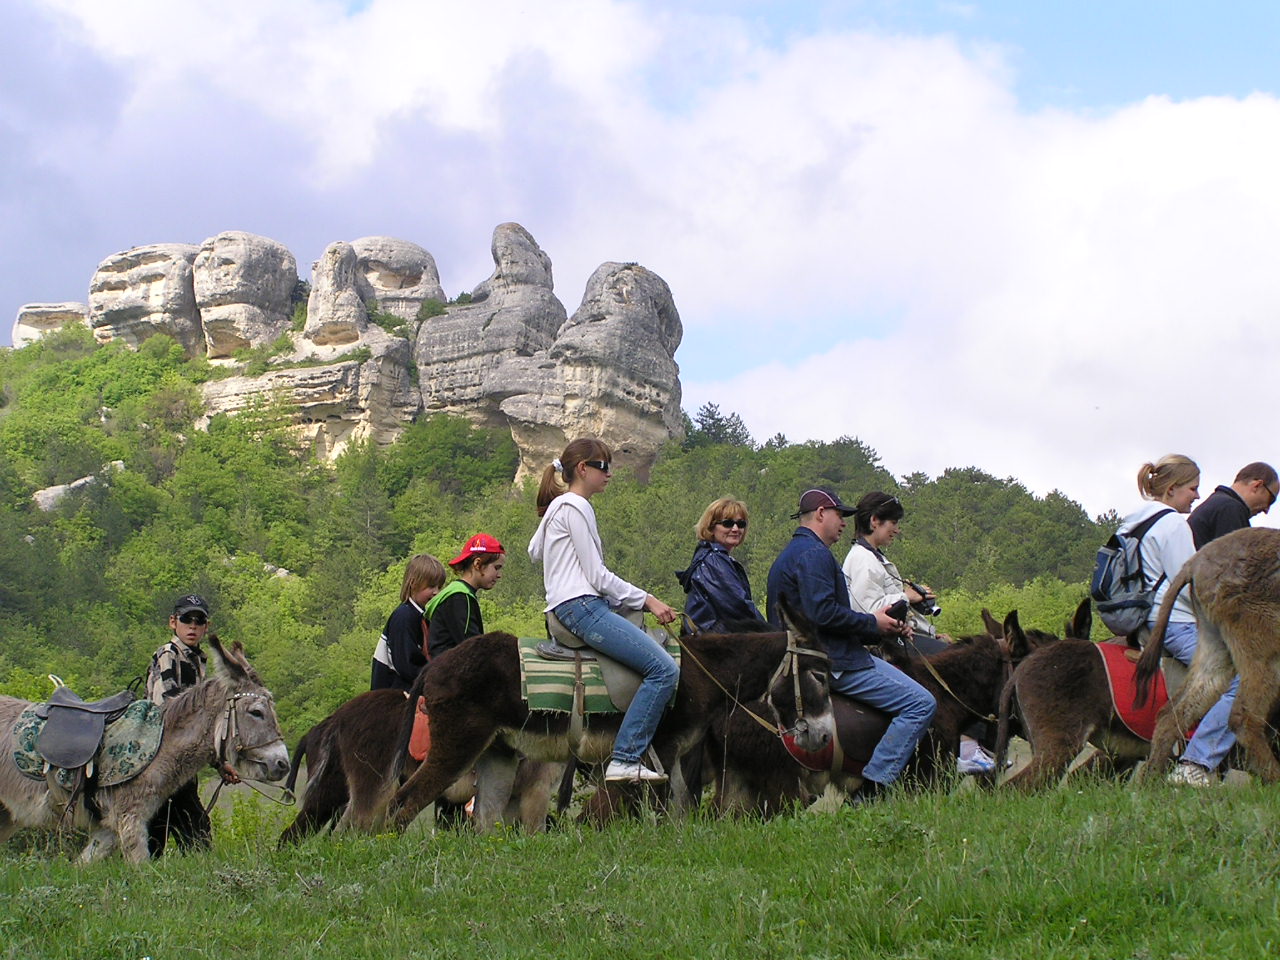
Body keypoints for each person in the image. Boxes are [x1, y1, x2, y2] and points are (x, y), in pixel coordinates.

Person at [766, 486, 936, 801]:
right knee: (921, 703)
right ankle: (872, 789)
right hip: (834, 662)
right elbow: (824, 614)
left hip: (809, 657)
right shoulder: (814, 554)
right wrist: (874, 623)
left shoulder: (791, 554)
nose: (845, 522)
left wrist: (880, 628)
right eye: (839, 515)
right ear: (820, 514)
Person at [528, 437, 679, 783]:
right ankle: (625, 758)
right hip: (582, 607)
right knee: (664, 670)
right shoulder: (577, 507)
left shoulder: (559, 507)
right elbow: (598, 575)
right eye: (604, 466)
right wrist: (648, 599)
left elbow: (534, 551)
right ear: (583, 469)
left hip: (565, 608)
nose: (610, 474)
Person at [841, 491, 994, 776]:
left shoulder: (875, 558)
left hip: (899, 636)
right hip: (882, 644)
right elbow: (866, 609)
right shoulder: (861, 560)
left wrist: (930, 631)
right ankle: (968, 746)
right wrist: (907, 597)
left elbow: (895, 605)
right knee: (965, 665)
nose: (897, 530)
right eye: (892, 524)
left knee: (955, 651)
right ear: (875, 521)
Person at [1172, 461, 1277, 786]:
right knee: (1243, 680)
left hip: (1190, 608)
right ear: (1257, 484)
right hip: (1195, 615)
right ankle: (1196, 762)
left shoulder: (1214, 507)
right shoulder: (1231, 513)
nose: (1265, 512)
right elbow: (1235, 585)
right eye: (1270, 500)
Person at [146, 593, 237, 855]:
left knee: (159, 832)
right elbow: (168, 711)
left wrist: (219, 763)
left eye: (199, 621)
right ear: (173, 622)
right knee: (194, 832)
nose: (193, 626)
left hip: (180, 762)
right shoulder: (168, 654)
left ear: (206, 626)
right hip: (163, 760)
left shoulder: (198, 660)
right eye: (187, 619)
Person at [676, 497, 766, 633]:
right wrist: (770, 631)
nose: (735, 529)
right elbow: (738, 606)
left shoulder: (714, 557)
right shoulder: (714, 561)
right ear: (711, 527)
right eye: (727, 523)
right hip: (712, 644)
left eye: (741, 524)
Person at [371, 554, 447, 691]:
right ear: (413, 584)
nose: (436, 592)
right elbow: (407, 665)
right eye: (431, 586)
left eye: (439, 587)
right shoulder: (404, 616)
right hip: (392, 695)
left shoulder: (422, 616)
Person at [426, 534, 505, 660]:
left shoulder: (456, 594)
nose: (499, 575)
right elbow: (472, 646)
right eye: (496, 568)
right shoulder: (460, 597)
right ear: (477, 564)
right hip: (450, 673)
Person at [1188, 461, 1278, 549]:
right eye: (1271, 499)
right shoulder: (1230, 509)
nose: (1266, 510)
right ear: (1257, 486)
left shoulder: (1218, 504)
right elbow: (1233, 560)